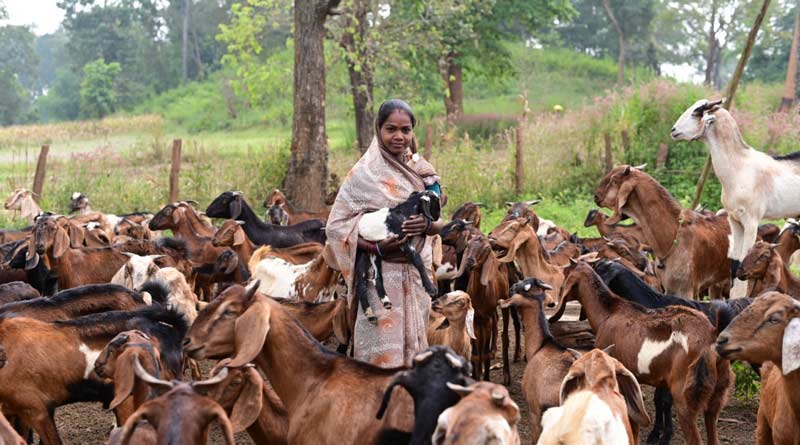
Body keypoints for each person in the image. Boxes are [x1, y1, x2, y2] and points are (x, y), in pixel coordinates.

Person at [325, 99, 444, 367]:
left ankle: (407, 407)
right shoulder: (364, 174)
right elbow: (336, 227)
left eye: (405, 130)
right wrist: (377, 248)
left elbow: (439, 223)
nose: (399, 136)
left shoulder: (423, 172)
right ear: (378, 129)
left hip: (415, 277)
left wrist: (425, 226)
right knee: (380, 359)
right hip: (380, 280)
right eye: (391, 129)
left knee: (415, 360)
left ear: (413, 132)